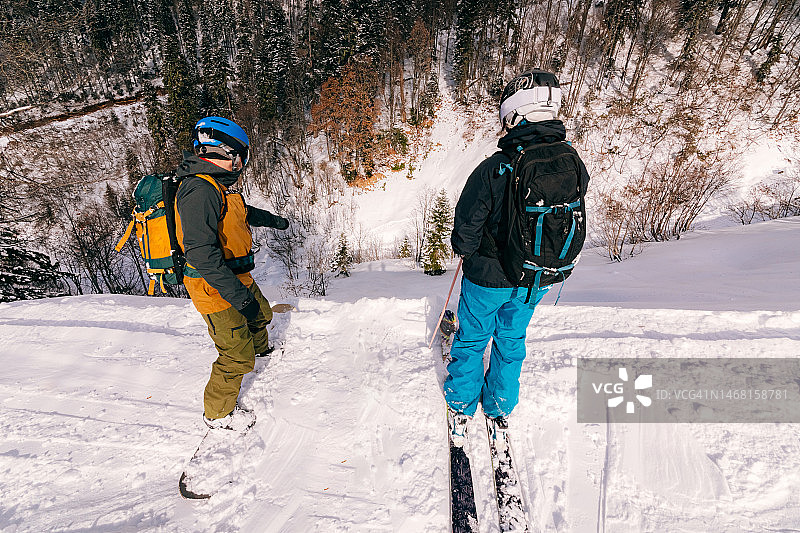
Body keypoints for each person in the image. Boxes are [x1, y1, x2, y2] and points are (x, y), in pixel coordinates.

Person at [445, 70, 590, 445]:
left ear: (513, 114)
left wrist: (465, 250)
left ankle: (461, 403)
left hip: (488, 277)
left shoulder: (495, 168)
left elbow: (466, 227)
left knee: (473, 338)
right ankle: (500, 404)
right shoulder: (571, 160)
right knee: (511, 340)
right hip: (536, 276)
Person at [175, 116, 289, 433]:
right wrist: (240, 299)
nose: (241, 165)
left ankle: (262, 352)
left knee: (261, 314)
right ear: (226, 153)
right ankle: (218, 414)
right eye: (240, 158)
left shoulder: (218, 187)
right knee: (236, 355)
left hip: (236, 275)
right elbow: (202, 254)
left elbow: (242, 212)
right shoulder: (199, 191)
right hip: (212, 285)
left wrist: (275, 221)